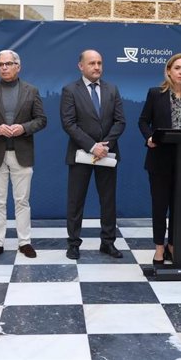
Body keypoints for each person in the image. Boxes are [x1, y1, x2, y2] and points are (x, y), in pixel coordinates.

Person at [0, 49, 47, 260]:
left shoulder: (31, 91)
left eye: (8, 64)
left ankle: (24, 242)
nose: (4, 68)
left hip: (21, 153)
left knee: (22, 200)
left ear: (18, 66)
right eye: (0, 65)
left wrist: (23, 128)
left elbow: (41, 120)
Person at [139, 53, 181, 264]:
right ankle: (159, 247)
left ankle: (173, 246)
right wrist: (149, 137)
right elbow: (143, 121)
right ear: (168, 71)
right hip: (159, 160)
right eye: (177, 68)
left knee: (180, 208)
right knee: (160, 206)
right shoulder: (155, 94)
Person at [61, 49, 126, 260]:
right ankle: (73, 244)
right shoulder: (70, 90)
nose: (97, 67)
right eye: (92, 63)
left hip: (107, 155)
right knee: (76, 201)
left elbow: (120, 121)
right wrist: (92, 146)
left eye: (99, 63)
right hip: (81, 154)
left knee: (108, 201)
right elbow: (68, 123)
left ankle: (108, 243)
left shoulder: (112, 89)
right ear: (81, 66)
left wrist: (105, 146)